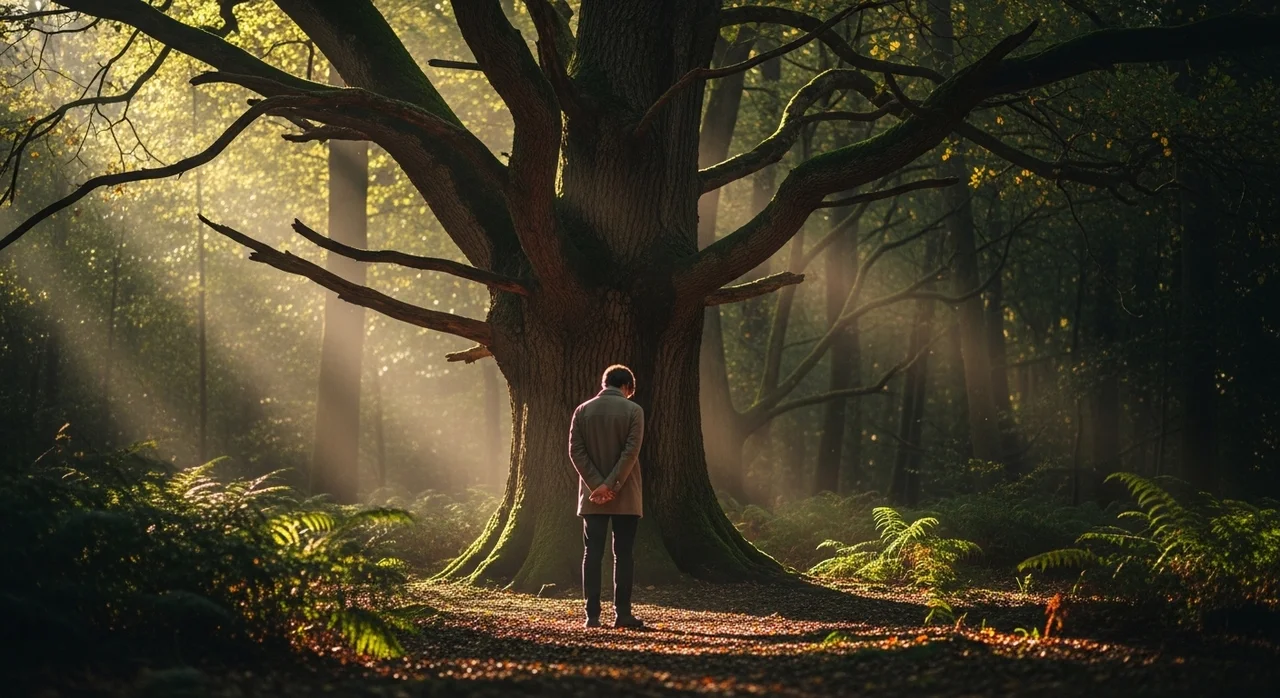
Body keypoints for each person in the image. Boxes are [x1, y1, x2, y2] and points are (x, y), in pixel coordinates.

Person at [568, 364, 645, 629]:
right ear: (627, 387)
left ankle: (592, 616)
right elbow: (630, 452)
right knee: (623, 554)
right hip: (626, 494)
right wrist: (612, 484)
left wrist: (596, 486)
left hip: (592, 497)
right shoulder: (634, 411)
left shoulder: (582, 411)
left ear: (605, 383)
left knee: (592, 553)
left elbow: (576, 452)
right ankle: (622, 614)